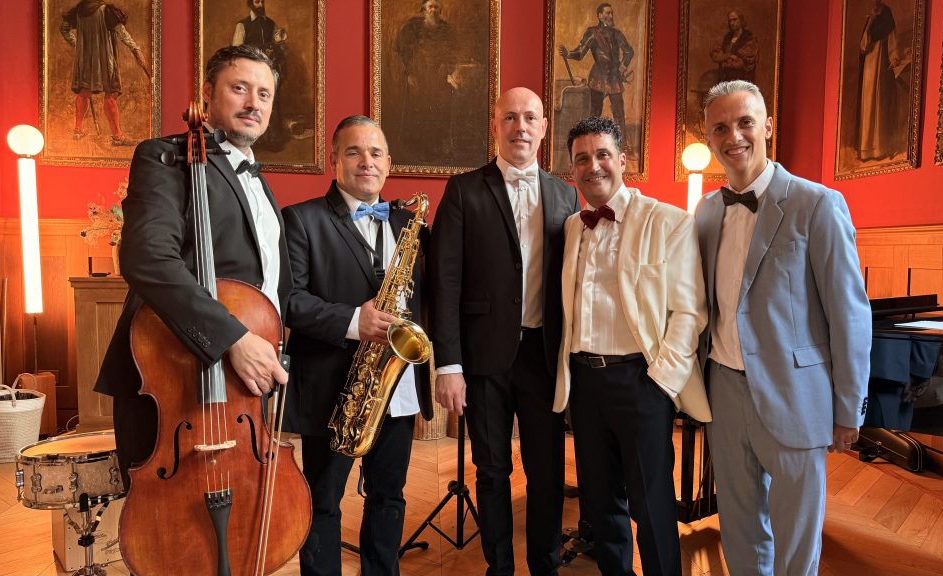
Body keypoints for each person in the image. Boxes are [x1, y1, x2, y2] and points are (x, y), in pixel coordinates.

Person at [94, 44, 289, 491]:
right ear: (208, 92)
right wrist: (231, 338)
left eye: (264, 94)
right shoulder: (166, 158)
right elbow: (147, 258)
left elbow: (273, 287)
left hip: (243, 388)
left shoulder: (261, 184)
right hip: (175, 377)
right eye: (239, 88)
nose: (253, 102)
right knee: (168, 535)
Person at [696, 80, 871, 576]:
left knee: (797, 536)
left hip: (796, 392)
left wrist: (848, 409)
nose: (735, 136)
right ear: (710, 139)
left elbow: (849, 314)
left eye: (745, 122)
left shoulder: (818, 204)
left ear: (768, 126)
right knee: (738, 522)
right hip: (723, 389)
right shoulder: (707, 211)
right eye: (721, 128)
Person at [429, 86, 580, 576]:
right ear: (496, 126)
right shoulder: (464, 189)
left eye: (530, 117)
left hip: (543, 355)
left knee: (548, 473)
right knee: (492, 472)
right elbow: (444, 281)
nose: (520, 126)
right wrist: (448, 365)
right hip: (481, 359)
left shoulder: (565, 193)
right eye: (510, 117)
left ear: (543, 127)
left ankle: (546, 566)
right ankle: (500, 568)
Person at [551, 116, 709, 576]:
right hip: (584, 383)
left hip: (641, 381)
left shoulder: (669, 221)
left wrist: (661, 379)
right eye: (582, 158)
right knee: (602, 506)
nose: (593, 165)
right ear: (572, 169)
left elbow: (689, 311)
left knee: (652, 504)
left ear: (623, 161)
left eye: (603, 155)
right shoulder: (572, 229)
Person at [282, 115, 433, 576]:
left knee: (389, 498)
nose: (365, 162)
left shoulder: (411, 223)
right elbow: (288, 301)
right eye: (353, 152)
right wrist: (353, 321)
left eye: (375, 153)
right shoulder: (302, 219)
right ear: (334, 161)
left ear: (389, 163)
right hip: (333, 388)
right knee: (323, 503)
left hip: (398, 386)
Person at [60, 0, 151, 146]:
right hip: (104, 61)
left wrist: (78, 45)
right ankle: (117, 137)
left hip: (84, 61)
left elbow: (64, 29)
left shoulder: (79, 11)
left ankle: (78, 130)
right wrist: (136, 49)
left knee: (84, 92)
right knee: (111, 93)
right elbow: (123, 34)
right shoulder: (106, 11)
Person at [393, 0, 460, 163]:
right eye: (430, 7)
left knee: (439, 112)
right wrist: (410, 74)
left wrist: (450, 71)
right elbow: (404, 53)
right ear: (423, 9)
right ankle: (416, 149)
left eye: (436, 7)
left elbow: (453, 53)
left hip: (439, 78)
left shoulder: (447, 30)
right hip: (419, 76)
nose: (433, 10)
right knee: (418, 111)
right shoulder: (411, 28)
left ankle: (437, 148)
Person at [558, 3, 634, 143]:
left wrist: (622, 67)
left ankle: (622, 144)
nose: (610, 16)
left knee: (619, 113)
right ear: (599, 15)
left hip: (614, 78)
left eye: (611, 13)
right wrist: (568, 54)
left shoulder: (617, 34)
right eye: (607, 13)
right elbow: (580, 53)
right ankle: (591, 142)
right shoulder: (592, 33)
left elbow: (629, 52)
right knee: (595, 113)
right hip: (598, 77)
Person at [232, 0, 289, 150]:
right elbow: (236, 52)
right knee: (252, 103)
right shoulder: (242, 25)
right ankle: (253, 141)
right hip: (249, 74)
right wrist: (260, 51)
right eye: (257, 1)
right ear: (250, 3)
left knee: (272, 103)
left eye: (262, 1)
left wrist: (278, 46)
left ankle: (274, 140)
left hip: (270, 72)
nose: (260, 5)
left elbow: (279, 45)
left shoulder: (271, 23)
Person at [856, 0, 901, 161]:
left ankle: (880, 147)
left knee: (879, 104)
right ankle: (866, 150)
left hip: (881, 67)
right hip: (869, 68)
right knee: (868, 106)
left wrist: (894, 57)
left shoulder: (887, 15)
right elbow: (863, 46)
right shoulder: (871, 20)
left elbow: (892, 39)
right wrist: (870, 23)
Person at [710, 10, 759, 84]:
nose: (732, 23)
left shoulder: (749, 37)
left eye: (735, 20)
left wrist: (727, 58)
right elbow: (715, 55)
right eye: (730, 21)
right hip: (726, 78)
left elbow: (745, 61)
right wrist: (730, 56)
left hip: (742, 79)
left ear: (741, 20)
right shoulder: (727, 38)